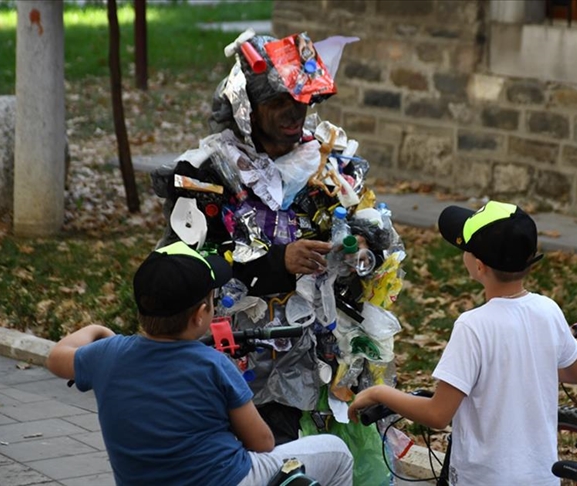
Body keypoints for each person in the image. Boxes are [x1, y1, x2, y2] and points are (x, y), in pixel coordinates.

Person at [151, 30, 406, 484]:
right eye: (279, 102)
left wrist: (363, 247)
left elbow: (375, 234)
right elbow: (189, 263)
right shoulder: (209, 171)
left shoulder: (329, 160)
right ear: (247, 106)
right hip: (240, 360)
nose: (295, 113)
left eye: (303, 101)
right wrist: (278, 262)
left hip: (321, 356)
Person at [46, 241, 353, 486]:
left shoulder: (108, 355)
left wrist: (99, 331)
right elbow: (262, 442)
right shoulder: (212, 365)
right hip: (227, 479)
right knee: (336, 453)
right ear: (200, 315)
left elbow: (57, 358)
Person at [348, 200, 577, 485]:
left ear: (478, 266)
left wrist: (378, 392)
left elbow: (438, 414)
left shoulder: (473, 325)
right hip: (541, 477)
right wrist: (525, 365)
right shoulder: (548, 310)